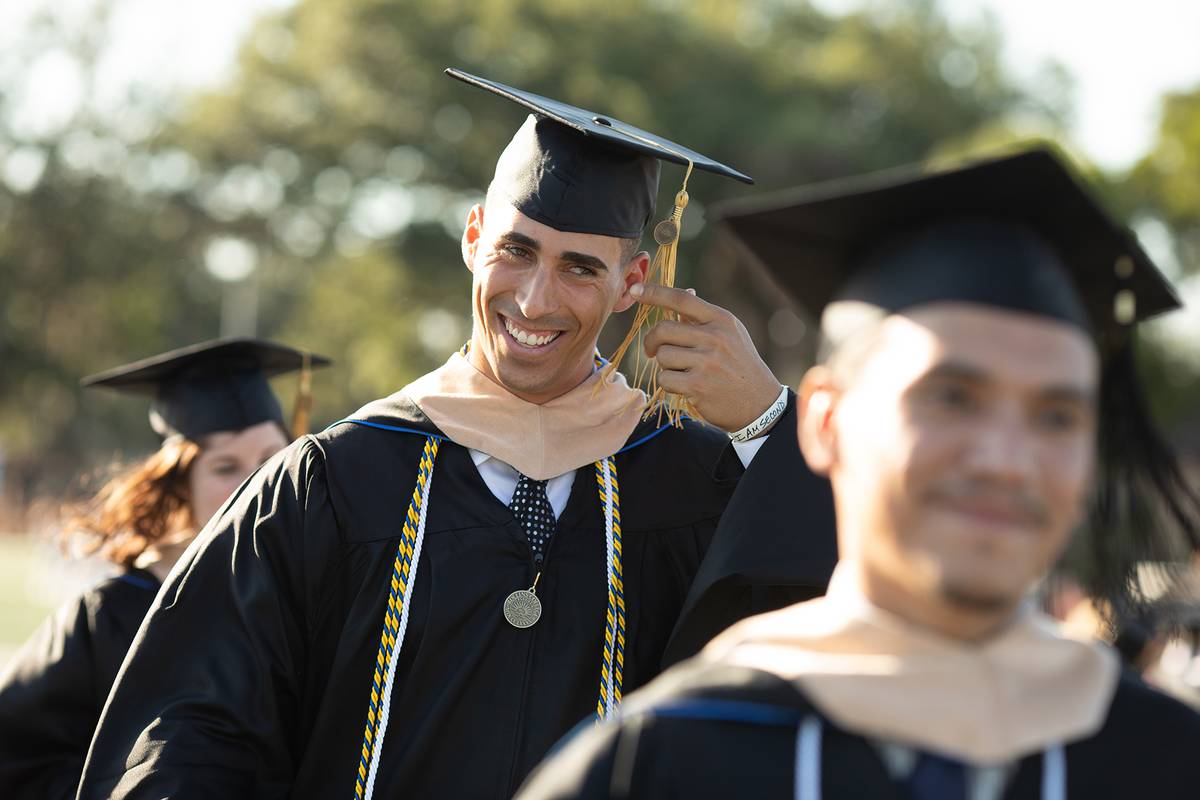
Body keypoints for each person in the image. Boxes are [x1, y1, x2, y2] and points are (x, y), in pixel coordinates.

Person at [77, 70, 837, 799]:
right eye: (516, 250)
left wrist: (772, 425)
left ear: (633, 282)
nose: (535, 301)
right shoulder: (334, 482)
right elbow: (190, 728)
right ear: (474, 236)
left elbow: (828, 648)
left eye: (579, 267)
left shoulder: (690, 482)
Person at [516, 147, 1200, 799]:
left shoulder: (1165, 759)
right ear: (824, 421)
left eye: (1057, 417)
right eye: (952, 399)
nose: (1005, 460)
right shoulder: (660, 761)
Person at [0, 338, 328, 799]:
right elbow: (17, 754)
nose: (256, 482)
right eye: (224, 466)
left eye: (271, 460)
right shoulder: (109, 616)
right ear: (178, 484)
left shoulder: (309, 605)